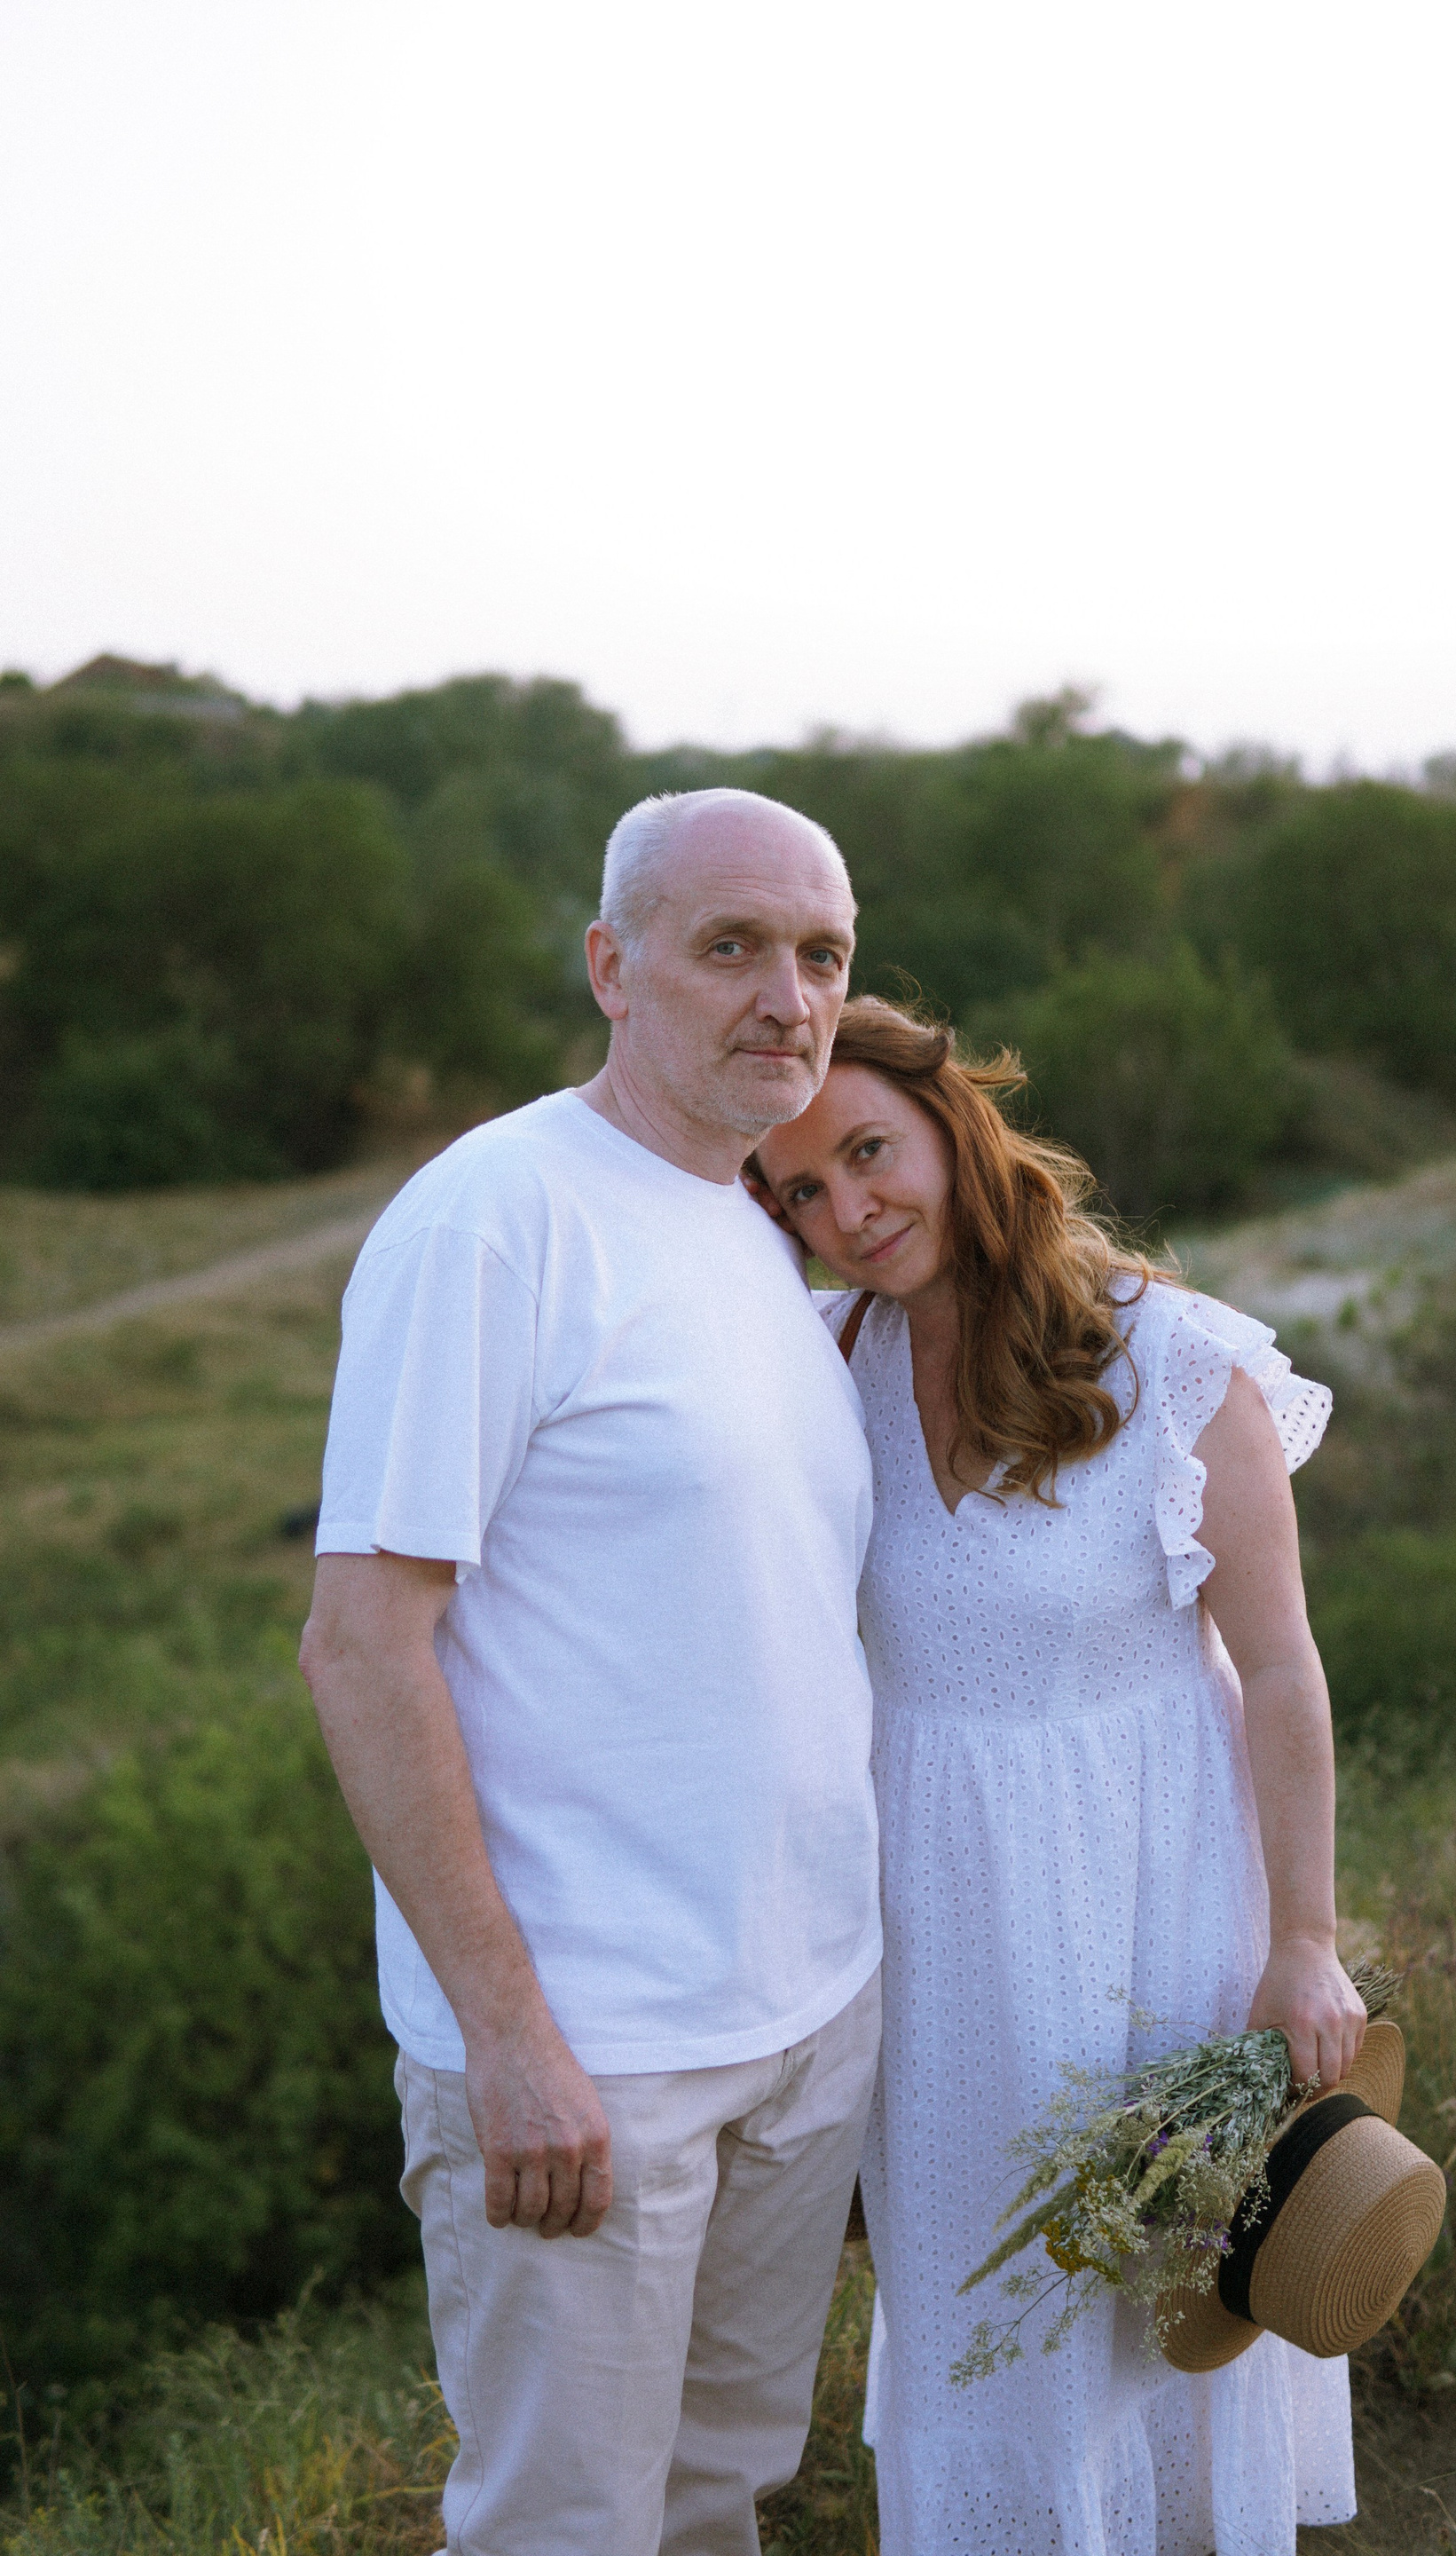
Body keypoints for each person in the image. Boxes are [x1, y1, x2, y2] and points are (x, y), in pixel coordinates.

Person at [298, 789, 883, 2556]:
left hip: (801, 2020)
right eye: (733, 947)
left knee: (720, 2499)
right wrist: (509, 2038)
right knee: (564, 2528)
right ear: (612, 968)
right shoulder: (496, 1219)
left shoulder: (759, 1227)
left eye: (822, 955)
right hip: (593, 2054)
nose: (787, 997)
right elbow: (361, 1645)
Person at [749, 996, 1368, 2556]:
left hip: (1164, 1895)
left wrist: (1306, 1940)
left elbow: (1281, 1668)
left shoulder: (1174, 1356)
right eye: (800, 1191)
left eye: (868, 1152)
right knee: (987, 2294)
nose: (847, 1211)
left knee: (1164, 2282)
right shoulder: (824, 1365)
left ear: (952, 1125)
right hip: (937, 1932)